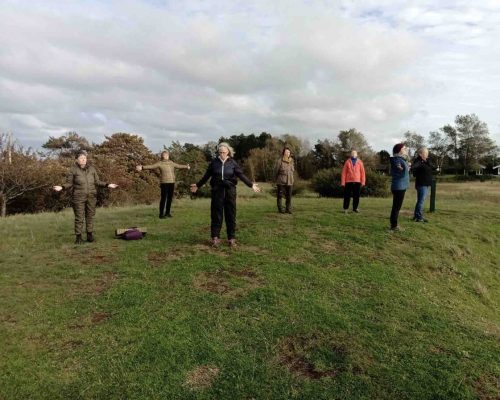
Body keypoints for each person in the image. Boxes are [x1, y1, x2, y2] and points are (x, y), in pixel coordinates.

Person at [190, 142, 260, 247]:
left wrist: (251, 185)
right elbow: (206, 176)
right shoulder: (214, 163)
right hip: (217, 192)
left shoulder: (232, 163)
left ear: (228, 152)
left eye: (224, 152)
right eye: (220, 152)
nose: (222, 154)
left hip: (230, 191)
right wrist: (198, 185)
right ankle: (215, 238)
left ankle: (231, 238)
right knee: (216, 215)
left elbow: (241, 175)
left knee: (230, 215)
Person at [53, 150, 118, 244]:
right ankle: (78, 237)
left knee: (90, 216)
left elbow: (97, 182)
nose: (83, 160)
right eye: (81, 158)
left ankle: (89, 235)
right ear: (76, 160)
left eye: (85, 158)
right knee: (79, 218)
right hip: (78, 197)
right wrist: (61, 187)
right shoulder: (73, 170)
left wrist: (108, 185)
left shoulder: (92, 169)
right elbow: (69, 183)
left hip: (92, 196)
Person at [136, 151, 190, 218]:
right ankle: (161, 215)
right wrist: (142, 167)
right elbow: (152, 166)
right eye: (164, 155)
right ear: (163, 156)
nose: (166, 156)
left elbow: (179, 166)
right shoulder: (160, 163)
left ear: (168, 156)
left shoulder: (171, 163)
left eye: (166, 155)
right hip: (164, 183)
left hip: (172, 182)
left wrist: (186, 166)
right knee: (164, 199)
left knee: (170, 199)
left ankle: (167, 213)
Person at [411, 147, 436, 223]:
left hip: (427, 183)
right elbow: (413, 168)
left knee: (420, 200)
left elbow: (433, 167)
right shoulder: (418, 161)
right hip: (421, 184)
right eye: (425, 153)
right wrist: (421, 162)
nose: (427, 154)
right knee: (421, 201)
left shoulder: (427, 161)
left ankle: (416, 216)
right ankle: (419, 217)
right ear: (420, 154)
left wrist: (427, 161)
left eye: (427, 153)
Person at [389, 143, 410, 231]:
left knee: (396, 207)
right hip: (399, 187)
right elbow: (397, 165)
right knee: (396, 207)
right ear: (400, 150)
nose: (405, 149)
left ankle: (393, 224)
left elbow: (403, 170)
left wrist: (407, 166)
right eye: (404, 148)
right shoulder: (397, 159)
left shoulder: (401, 159)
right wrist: (399, 167)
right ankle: (394, 226)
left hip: (400, 186)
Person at [275, 146, 294, 214]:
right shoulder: (279, 161)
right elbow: (276, 171)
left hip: (290, 181)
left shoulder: (291, 161)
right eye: (286, 152)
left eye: (288, 152)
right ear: (283, 153)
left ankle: (288, 209)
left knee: (289, 196)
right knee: (280, 196)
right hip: (281, 181)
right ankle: (280, 209)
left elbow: (292, 171)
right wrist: (276, 179)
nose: (287, 153)